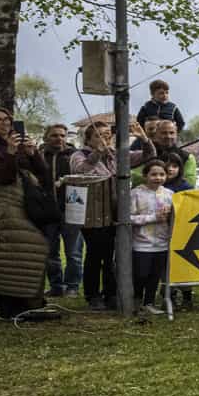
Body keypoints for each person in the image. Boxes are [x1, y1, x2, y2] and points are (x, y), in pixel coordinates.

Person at [0, 106, 62, 323]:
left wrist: (34, 154)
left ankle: (32, 303)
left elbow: (45, 176)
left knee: (32, 251)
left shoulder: (18, 145)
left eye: (7, 119)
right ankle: (11, 307)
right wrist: (11, 153)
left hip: (29, 203)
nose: (5, 124)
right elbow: (2, 177)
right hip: (7, 205)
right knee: (11, 255)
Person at [69, 121, 122, 311]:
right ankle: (93, 295)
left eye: (108, 134)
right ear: (89, 139)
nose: (105, 138)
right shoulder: (79, 155)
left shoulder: (114, 155)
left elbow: (146, 157)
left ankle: (111, 294)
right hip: (92, 214)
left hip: (113, 213)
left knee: (110, 257)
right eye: (99, 135)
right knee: (94, 255)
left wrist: (144, 140)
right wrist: (98, 152)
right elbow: (81, 170)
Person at [35, 123, 82, 299]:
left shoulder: (73, 156)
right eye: (55, 135)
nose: (59, 139)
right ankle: (56, 286)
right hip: (47, 212)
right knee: (50, 252)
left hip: (70, 210)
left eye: (62, 135)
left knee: (74, 252)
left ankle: (72, 286)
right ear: (46, 137)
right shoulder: (39, 156)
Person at [129, 158, 176, 316]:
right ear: (145, 175)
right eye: (154, 174)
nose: (158, 178)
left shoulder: (170, 194)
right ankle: (135, 301)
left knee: (155, 275)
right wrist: (152, 217)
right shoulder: (135, 193)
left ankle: (149, 302)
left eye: (162, 174)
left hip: (163, 243)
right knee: (141, 274)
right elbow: (129, 218)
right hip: (142, 244)